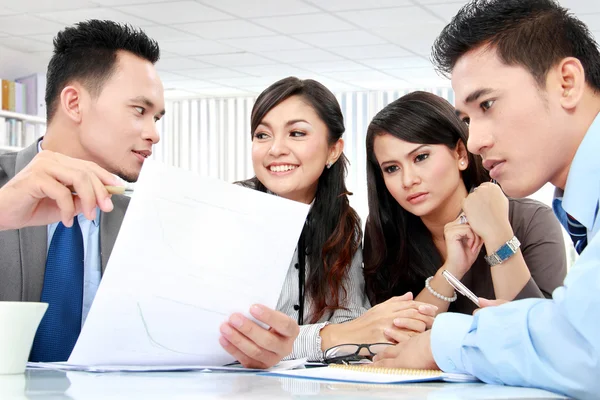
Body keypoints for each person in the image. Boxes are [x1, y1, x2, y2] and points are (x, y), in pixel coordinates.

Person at [0, 20, 297, 369]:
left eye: (157, 118)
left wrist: (251, 349)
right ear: (74, 103)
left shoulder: (149, 217)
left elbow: (181, 347)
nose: (154, 134)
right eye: (140, 111)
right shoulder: (7, 192)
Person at [372, 1, 600, 398]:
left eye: (488, 105)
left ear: (567, 82)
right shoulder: (386, 234)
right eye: (467, 119)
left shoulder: (533, 214)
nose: (476, 142)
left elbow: (583, 351)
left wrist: (441, 341)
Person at [229, 77, 436, 363]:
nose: (275, 149)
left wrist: (342, 334)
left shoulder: (344, 225)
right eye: (262, 135)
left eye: (297, 133)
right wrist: (331, 337)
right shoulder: (230, 212)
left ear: (333, 150)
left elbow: (355, 322)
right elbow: (234, 341)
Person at [363, 91, 566, 317]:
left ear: (460, 153)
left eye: (421, 157)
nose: (408, 180)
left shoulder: (531, 219)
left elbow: (543, 337)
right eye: (392, 168)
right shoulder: (384, 231)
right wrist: (450, 271)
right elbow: (390, 339)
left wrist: (498, 235)